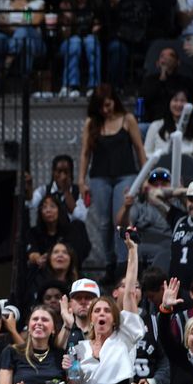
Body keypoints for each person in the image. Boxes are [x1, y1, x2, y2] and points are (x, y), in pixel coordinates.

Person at [61, 233, 144, 384]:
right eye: (97, 311)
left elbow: (129, 294)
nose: (102, 314)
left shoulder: (124, 338)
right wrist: (69, 373)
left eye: (107, 310)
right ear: (91, 318)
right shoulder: (78, 349)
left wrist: (132, 251)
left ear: (114, 318)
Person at [78, 84, 146, 280]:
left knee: (122, 220)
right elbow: (85, 154)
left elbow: (139, 150)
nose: (105, 110)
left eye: (107, 105)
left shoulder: (127, 119)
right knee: (103, 223)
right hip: (99, 177)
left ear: (114, 101)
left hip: (126, 175)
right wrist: (81, 180)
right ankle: (109, 262)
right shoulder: (92, 123)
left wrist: (145, 177)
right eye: (101, 107)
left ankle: (124, 264)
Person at [115, 167, 173, 269]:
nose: (159, 188)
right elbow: (121, 225)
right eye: (155, 185)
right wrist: (126, 207)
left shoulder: (178, 206)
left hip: (169, 251)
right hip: (144, 250)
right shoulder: (140, 206)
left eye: (163, 184)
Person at [58, 0, 101, 98]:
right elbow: (63, 35)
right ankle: (71, 86)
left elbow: (99, 29)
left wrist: (96, 29)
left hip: (89, 41)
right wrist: (68, 19)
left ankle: (94, 86)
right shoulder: (65, 5)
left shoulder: (96, 5)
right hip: (69, 42)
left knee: (91, 41)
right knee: (75, 42)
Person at [26, 154, 88, 232]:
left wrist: (66, 191)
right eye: (59, 172)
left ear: (71, 173)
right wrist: (29, 187)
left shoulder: (79, 192)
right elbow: (30, 204)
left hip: (70, 234)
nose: (63, 176)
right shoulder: (44, 190)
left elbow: (80, 217)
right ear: (53, 173)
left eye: (66, 172)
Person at [26, 195, 90, 271]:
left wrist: (53, 257)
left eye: (52, 206)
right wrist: (38, 259)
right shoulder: (34, 233)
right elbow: (32, 252)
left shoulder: (71, 230)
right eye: (44, 207)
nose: (48, 210)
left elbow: (75, 253)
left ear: (59, 210)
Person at [0, 0, 46, 76]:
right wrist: (20, 27)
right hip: (15, 39)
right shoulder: (3, 2)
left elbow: (34, 23)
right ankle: (25, 81)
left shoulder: (37, 3)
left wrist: (13, 27)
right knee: (27, 43)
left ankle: (9, 59)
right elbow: (1, 23)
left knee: (24, 30)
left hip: (35, 39)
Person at [144, 88, 193, 163]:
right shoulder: (156, 126)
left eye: (182, 101)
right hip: (162, 168)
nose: (179, 104)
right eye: (175, 100)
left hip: (188, 169)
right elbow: (146, 154)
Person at [139, 48, 193, 124]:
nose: (166, 58)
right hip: (153, 122)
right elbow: (145, 99)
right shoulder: (149, 80)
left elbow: (183, 99)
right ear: (158, 62)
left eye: (171, 55)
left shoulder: (185, 81)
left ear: (178, 62)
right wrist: (162, 78)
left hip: (178, 122)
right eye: (162, 56)